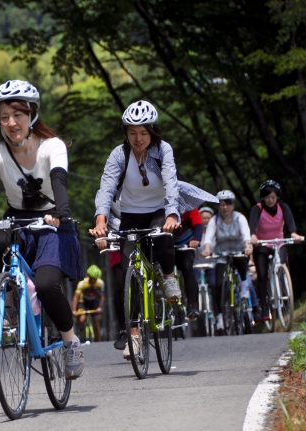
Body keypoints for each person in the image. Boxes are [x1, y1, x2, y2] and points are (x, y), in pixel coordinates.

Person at [0, 80, 85, 379]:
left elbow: (59, 179)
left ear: (32, 114)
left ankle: (69, 342)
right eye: (4, 116)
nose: (11, 123)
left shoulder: (52, 146)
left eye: (18, 114)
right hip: (17, 220)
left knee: (48, 284)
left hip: (52, 221)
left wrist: (62, 212)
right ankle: (9, 306)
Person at [90, 100, 216, 357]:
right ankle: (134, 336)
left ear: (153, 132)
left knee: (162, 236)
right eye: (132, 132)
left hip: (159, 210)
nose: (138, 138)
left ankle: (169, 278)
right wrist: (101, 219)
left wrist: (172, 214)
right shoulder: (119, 154)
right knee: (127, 272)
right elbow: (106, 188)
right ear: (126, 132)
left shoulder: (163, 150)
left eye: (143, 133)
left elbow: (171, 182)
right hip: (130, 215)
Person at [249, 180, 303, 321]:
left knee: (283, 261)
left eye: (273, 197)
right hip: (262, 245)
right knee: (261, 274)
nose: (270, 200)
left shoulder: (283, 207)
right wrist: (253, 235)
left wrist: (293, 233)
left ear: (277, 197)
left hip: (278, 243)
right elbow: (253, 225)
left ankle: (285, 287)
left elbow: (291, 224)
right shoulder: (258, 209)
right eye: (267, 197)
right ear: (263, 197)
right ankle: (264, 307)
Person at [202, 190, 252, 333]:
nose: (225, 208)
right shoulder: (215, 220)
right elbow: (209, 238)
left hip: (238, 251)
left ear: (233, 205)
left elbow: (246, 234)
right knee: (217, 284)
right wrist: (207, 249)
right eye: (222, 205)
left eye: (228, 204)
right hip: (221, 254)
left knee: (242, 261)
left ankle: (243, 287)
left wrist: (248, 246)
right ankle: (219, 316)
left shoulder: (239, 218)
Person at [173, 209, 203, 319]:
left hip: (186, 243)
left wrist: (197, 239)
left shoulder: (189, 206)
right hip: (167, 241)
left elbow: (198, 225)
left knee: (187, 266)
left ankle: (191, 305)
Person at [72, 265, 106, 342]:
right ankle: (80, 332)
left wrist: (100, 307)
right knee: (82, 319)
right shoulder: (82, 283)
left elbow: (102, 297)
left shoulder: (100, 283)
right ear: (89, 276)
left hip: (94, 302)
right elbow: (76, 297)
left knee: (96, 321)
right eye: (92, 278)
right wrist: (74, 310)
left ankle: (99, 341)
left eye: (95, 279)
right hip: (83, 302)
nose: (94, 281)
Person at [193, 207, 216, 291]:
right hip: (197, 265)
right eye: (203, 218)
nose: (206, 220)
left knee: (214, 284)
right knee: (194, 283)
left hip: (212, 264)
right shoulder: (194, 234)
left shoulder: (216, 233)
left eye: (208, 218)